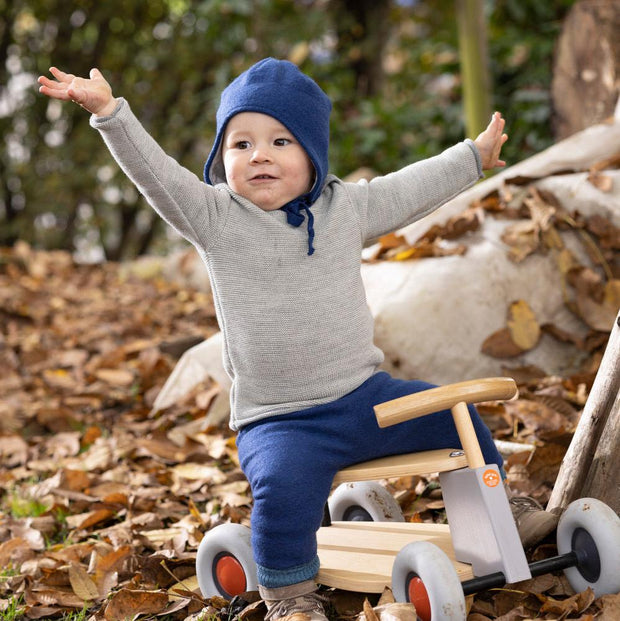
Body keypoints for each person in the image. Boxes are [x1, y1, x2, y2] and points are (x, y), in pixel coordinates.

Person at [39, 59, 557, 621]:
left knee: (454, 415)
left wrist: (470, 160)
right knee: (283, 493)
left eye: (280, 140)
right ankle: (289, 594)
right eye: (240, 144)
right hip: (279, 419)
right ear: (222, 159)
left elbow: (408, 189)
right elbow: (158, 175)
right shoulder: (216, 218)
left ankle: (501, 510)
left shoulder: (345, 207)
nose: (259, 154)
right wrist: (111, 113)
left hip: (365, 398)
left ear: (313, 153)